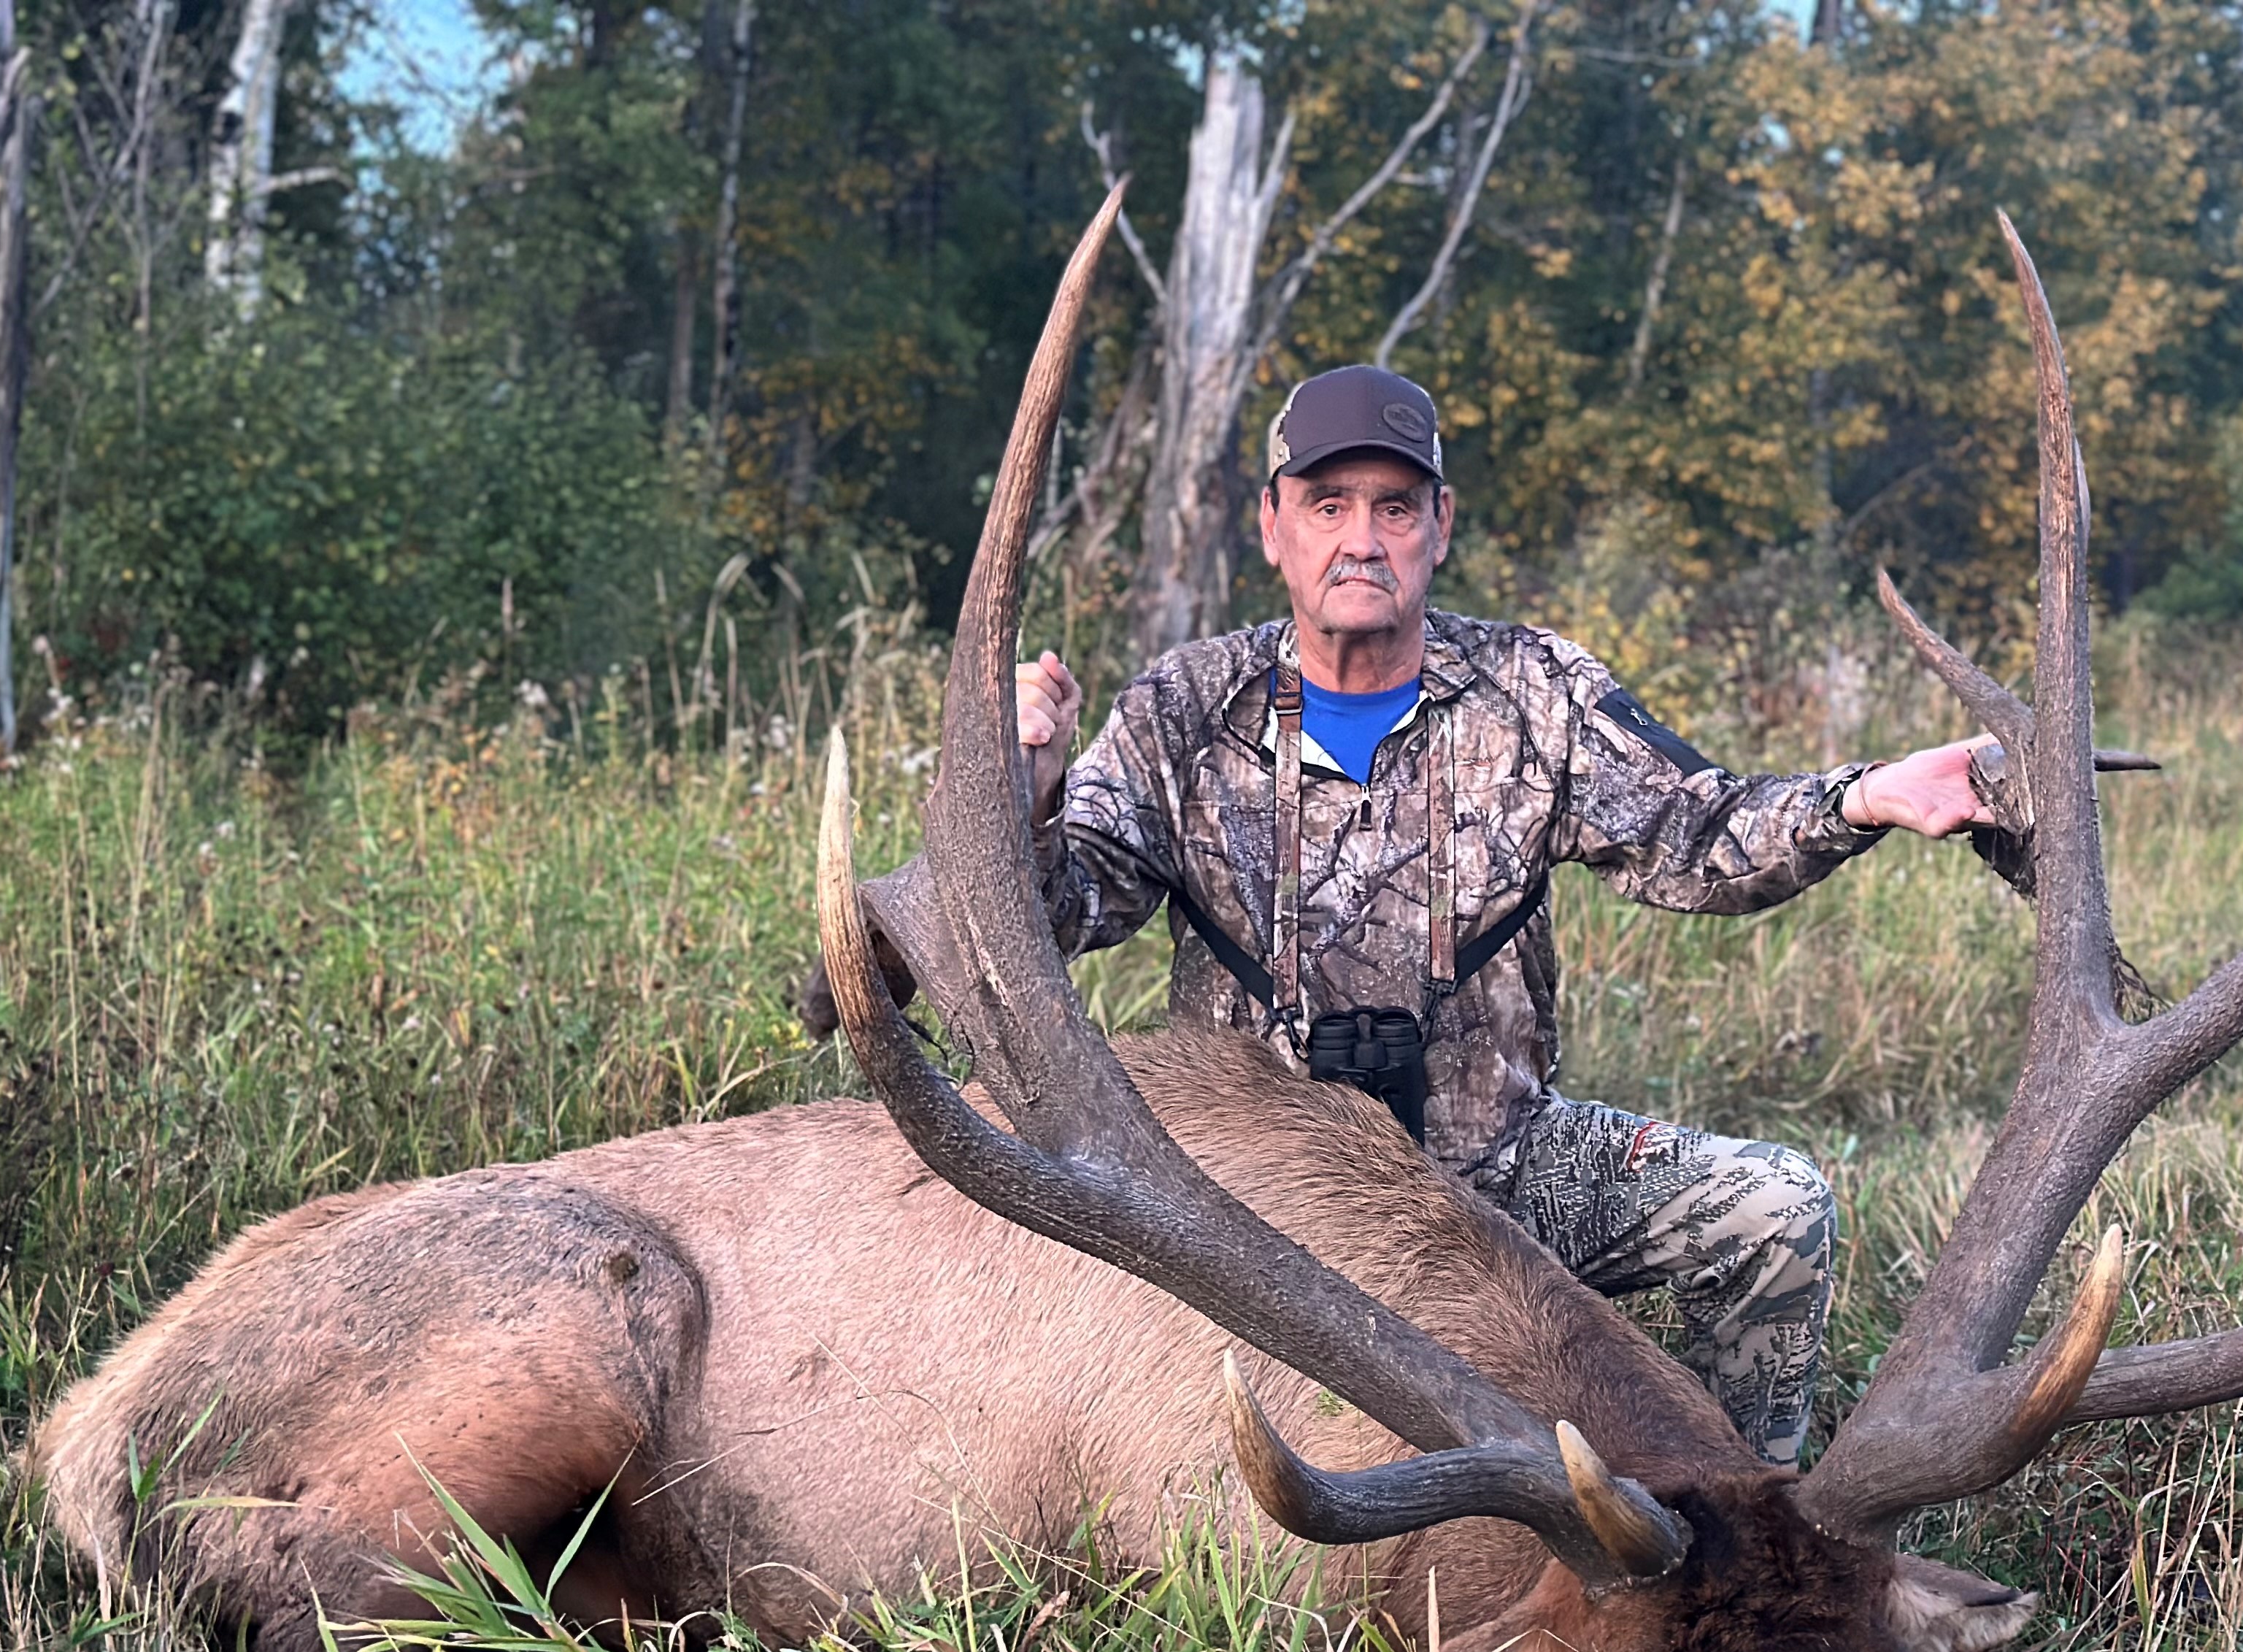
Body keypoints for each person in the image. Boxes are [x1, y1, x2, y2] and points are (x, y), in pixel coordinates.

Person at [825, 364, 1990, 1467]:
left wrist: (1866, 797)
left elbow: (1698, 837)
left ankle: (1734, 1530)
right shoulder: (1185, 706)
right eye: (1328, 504)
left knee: (1774, 1206)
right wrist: (1023, 784)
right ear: (1274, 526)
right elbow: (1062, 910)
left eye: (1394, 506)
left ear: (1441, 524)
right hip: (1255, 1213)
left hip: (1500, 1173)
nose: (1361, 538)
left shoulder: (1539, 693)